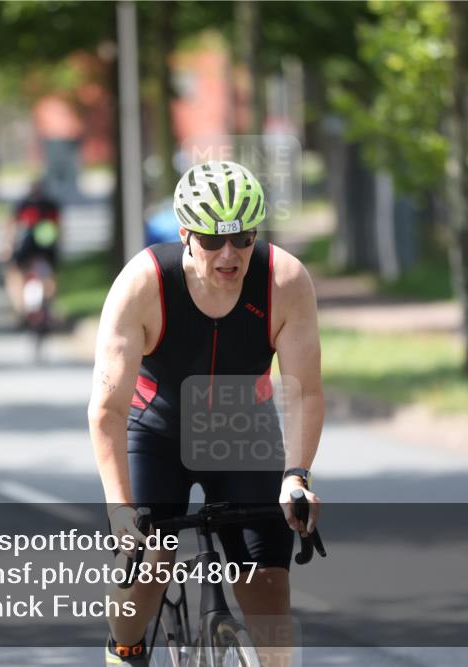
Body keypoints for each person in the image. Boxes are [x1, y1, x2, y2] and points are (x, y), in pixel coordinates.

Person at [88, 161, 324, 665]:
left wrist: (297, 476)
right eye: (213, 240)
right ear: (184, 234)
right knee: (146, 569)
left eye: (242, 238)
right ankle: (123, 651)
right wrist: (119, 507)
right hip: (157, 432)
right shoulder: (143, 284)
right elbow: (108, 408)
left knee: (269, 592)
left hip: (243, 431)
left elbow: (304, 391)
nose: (229, 254)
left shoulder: (284, 281)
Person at [0, 180, 61, 318]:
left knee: (14, 272)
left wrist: (6, 246)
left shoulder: (22, 204)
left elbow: (10, 225)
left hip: (27, 244)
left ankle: (21, 307)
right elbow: (59, 227)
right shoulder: (51, 205)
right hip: (47, 244)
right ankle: (50, 305)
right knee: (50, 275)